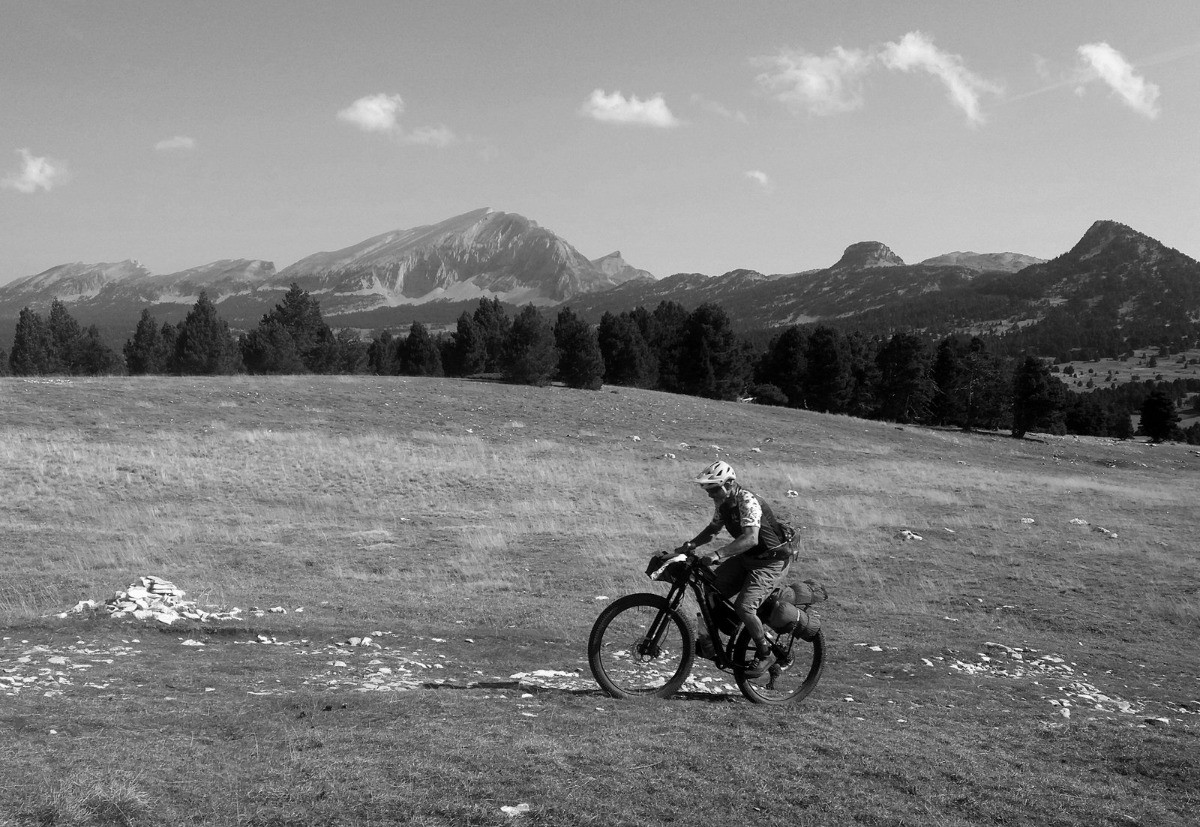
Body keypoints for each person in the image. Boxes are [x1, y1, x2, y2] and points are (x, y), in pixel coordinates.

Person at [677, 460, 792, 678]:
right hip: (748, 558)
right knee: (709, 587)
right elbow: (713, 529)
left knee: (745, 606)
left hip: (770, 562)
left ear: (730, 484)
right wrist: (691, 544)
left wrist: (717, 554)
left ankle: (765, 653)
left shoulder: (746, 501)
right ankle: (715, 640)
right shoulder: (723, 502)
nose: (711, 494)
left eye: (714, 488)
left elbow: (750, 538)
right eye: (708, 489)